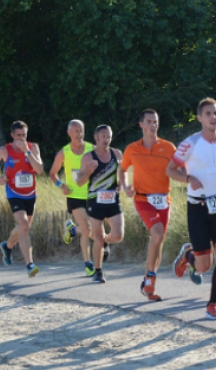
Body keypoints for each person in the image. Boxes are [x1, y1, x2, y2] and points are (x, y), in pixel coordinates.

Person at [168, 97, 216, 320]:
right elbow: (170, 169)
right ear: (200, 118)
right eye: (209, 114)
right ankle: (189, 254)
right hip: (197, 208)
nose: (214, 117)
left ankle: (212, 304)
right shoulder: (190, 143)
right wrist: (188, 177)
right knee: (203, 267)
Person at [120, 109, 176, 301]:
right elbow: (122, 169)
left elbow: (180, 168)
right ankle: (150, 277)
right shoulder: (132, 149)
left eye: (156, 122)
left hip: (164, 199)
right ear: (141, 124)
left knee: (159, 241)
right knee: (157, 233)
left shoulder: (168, 147)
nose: (153, 125)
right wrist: (125, 185)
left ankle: (148, 283)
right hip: (143, 199)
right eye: (149, 121)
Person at [0, 121, 44, 277]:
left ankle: (8, 246)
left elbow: (39, 170)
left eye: (24, 135)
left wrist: (27, 152)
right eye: (18, 135)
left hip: (31, 193)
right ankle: (30, 265)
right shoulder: (4, 150)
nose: (21, 138)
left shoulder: (33, 148)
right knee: (24, 226)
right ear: (12, 135)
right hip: (14, 193)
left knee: (23, 228)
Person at [76, 125, 125, 284]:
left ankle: (105, 242)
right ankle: (98, 271)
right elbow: (79, 182)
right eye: (103, 136)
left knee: (117, 235)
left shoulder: (117, 154)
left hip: (112, 199)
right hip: (94, 200)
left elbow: (123, 173)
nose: (106, 139)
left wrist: (122, 184)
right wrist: (89, 171)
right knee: (98, 237)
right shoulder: (88, 157)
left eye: (109, 136)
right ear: (96, 137)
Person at [49, 120, 95, 276]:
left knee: (94, 229)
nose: (79, 134)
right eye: (75, 131)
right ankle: (88, 264)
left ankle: (73, 229)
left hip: (91, 195)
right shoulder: (64, 152)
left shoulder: (91, 149)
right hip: (74, 196)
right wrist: (61, 185)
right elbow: (52, 174)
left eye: (81, 130)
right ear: (69, 133)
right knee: (88, 229)